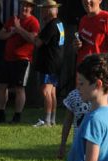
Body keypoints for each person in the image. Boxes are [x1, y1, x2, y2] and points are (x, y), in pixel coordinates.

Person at [0, 0, 38, 124]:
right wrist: (12, 31)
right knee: (1, 86)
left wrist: (19, 29)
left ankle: (17, 115)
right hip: (8, 58)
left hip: (22, 59)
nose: (24, 8)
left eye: (27, 6)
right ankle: (0, 113)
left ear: (31, 8)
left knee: (19, 88)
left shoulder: (33, 22)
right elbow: (0, 35)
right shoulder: (13, 19)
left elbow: (33, 39)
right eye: (23, 5)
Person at [32, 0, 63, 128]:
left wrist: (34, 37)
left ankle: (47, 120)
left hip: (49, 62)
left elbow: (38, 42)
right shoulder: (59, 23)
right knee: (52, 92)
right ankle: (52, 120)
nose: (42, 12)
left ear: (49, 11)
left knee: (46, 91)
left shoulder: (51, 25)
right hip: (56, 62)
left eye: (44, 9)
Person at [76, 0, 108, 66]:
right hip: (82, 71)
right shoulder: (83, 19)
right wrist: (77, 45)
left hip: (98, 72)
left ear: (100, 0)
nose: (87, 1)